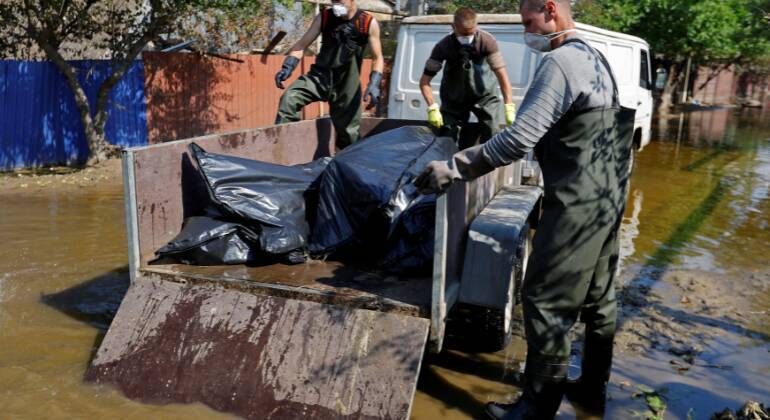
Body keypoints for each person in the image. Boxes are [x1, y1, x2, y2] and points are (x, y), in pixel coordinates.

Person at [413, 0, 636, 418]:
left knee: (546, 300)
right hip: (608, 201)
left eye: (527, 20)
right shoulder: (595, 57)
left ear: (550, 10)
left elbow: (518, 140)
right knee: (600, 299)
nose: (525, 30)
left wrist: (455, 167)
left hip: (575, 205)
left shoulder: (561, 63)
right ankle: (591, 390)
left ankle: (536, 408)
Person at [274, 0, 384, 149]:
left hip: (347, 85)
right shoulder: (324, 17)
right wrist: (288, 66)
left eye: (340, 1)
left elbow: (378, 57)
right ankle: (284, 149)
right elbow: (301, 45)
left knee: (349, 134)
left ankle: (348, 165)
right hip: (320, 77)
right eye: (333, 1)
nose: (336, 4)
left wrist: (374, 83)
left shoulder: (367, 22)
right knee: (289, 99)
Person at [420, 7, 517, 148]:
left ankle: (487, 166)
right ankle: (445, 166)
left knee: (492, 132)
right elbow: (424, 82)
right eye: (462, 34)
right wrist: (432, 107)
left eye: (470, 34)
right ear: (453, 27)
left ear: (476, 27)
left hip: (484, 97)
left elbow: (502, 77)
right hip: (453, 98)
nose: (466, 38)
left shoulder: (487, 41)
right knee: (445, 136)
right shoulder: (443, 47)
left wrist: (509, 106)